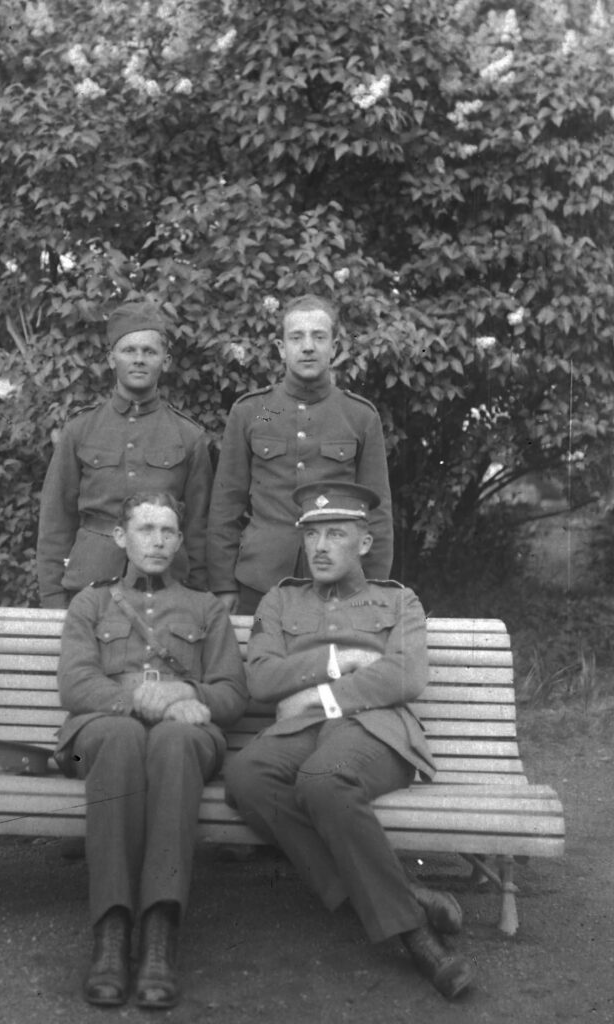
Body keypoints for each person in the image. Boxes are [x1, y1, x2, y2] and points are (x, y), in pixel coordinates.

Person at [223, 481, 474, 1000]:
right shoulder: (280, 599)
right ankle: (404, 894)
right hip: (298, 733)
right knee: (246, 777)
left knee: (323, 779)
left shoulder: (398, 600)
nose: (320, 547)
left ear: (364, 542)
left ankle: (417, 940)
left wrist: (320, 697)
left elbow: (404, 676)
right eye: (311, 534)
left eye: (335, 534)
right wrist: (342, 660)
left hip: (375, 730)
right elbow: (262, 680)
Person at [54, 491, 247, 1009]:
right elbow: (75, 685)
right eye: (145, 529)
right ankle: (111, 936)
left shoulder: (205, 608)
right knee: (120, 737)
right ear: (121, 537)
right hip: (90, 744)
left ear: (180, 541)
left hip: (184, 739)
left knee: (175, 740)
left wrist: (187, 692)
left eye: (167, 531)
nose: (157, 541)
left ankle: (160, 936)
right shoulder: (91, 603)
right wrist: (144, 701)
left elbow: (232, 694)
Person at [207, 294, 393, 615]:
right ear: (281, 349)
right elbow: (226, 505)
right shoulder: (257, 411)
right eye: (297, 337)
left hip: (339, 583)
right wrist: (223, 584)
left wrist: (373, 587)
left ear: (334, 347)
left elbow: (377, 513)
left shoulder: (359, 416)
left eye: (319, 337)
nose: (308, 347)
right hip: (259, 581)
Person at [37, 299, 213, 608]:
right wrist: (52, 596)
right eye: (129, 350)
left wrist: (198, 595)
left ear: (166, 361)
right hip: (91, 582)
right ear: (111, 359)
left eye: (149, 351)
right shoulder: (80, 430)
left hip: (167, 586)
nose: (139, 359)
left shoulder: (189, 436)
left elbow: (198, 528)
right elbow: (56, 521)